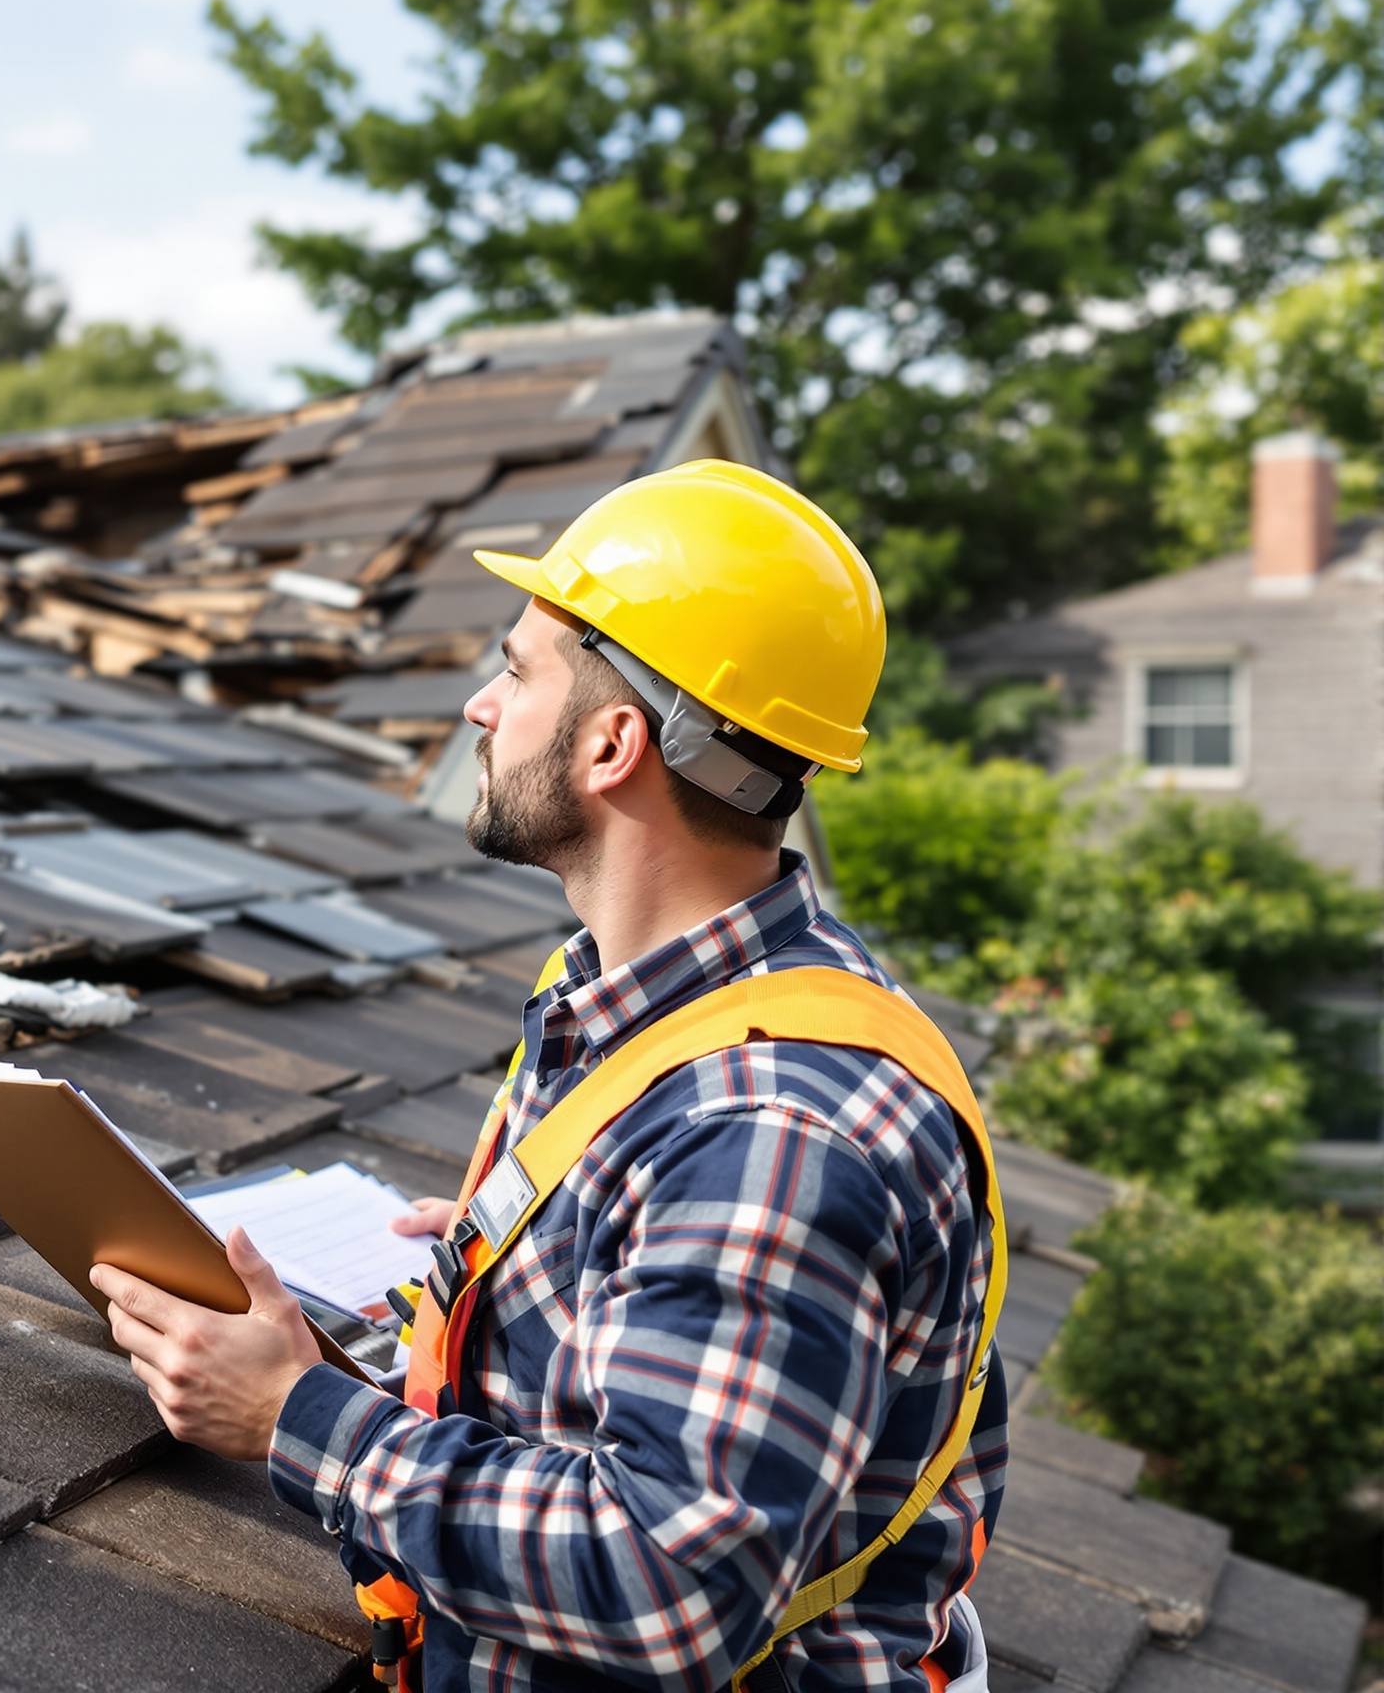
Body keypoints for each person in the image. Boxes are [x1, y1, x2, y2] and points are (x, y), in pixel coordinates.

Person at [91, 460, 1005, 1693]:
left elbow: (666, 1584)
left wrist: (297, 1416)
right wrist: (531, 1280)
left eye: (518, 673)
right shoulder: (657, 1003)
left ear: (612, 744)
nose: (480, 705)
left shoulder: (774, 1128)